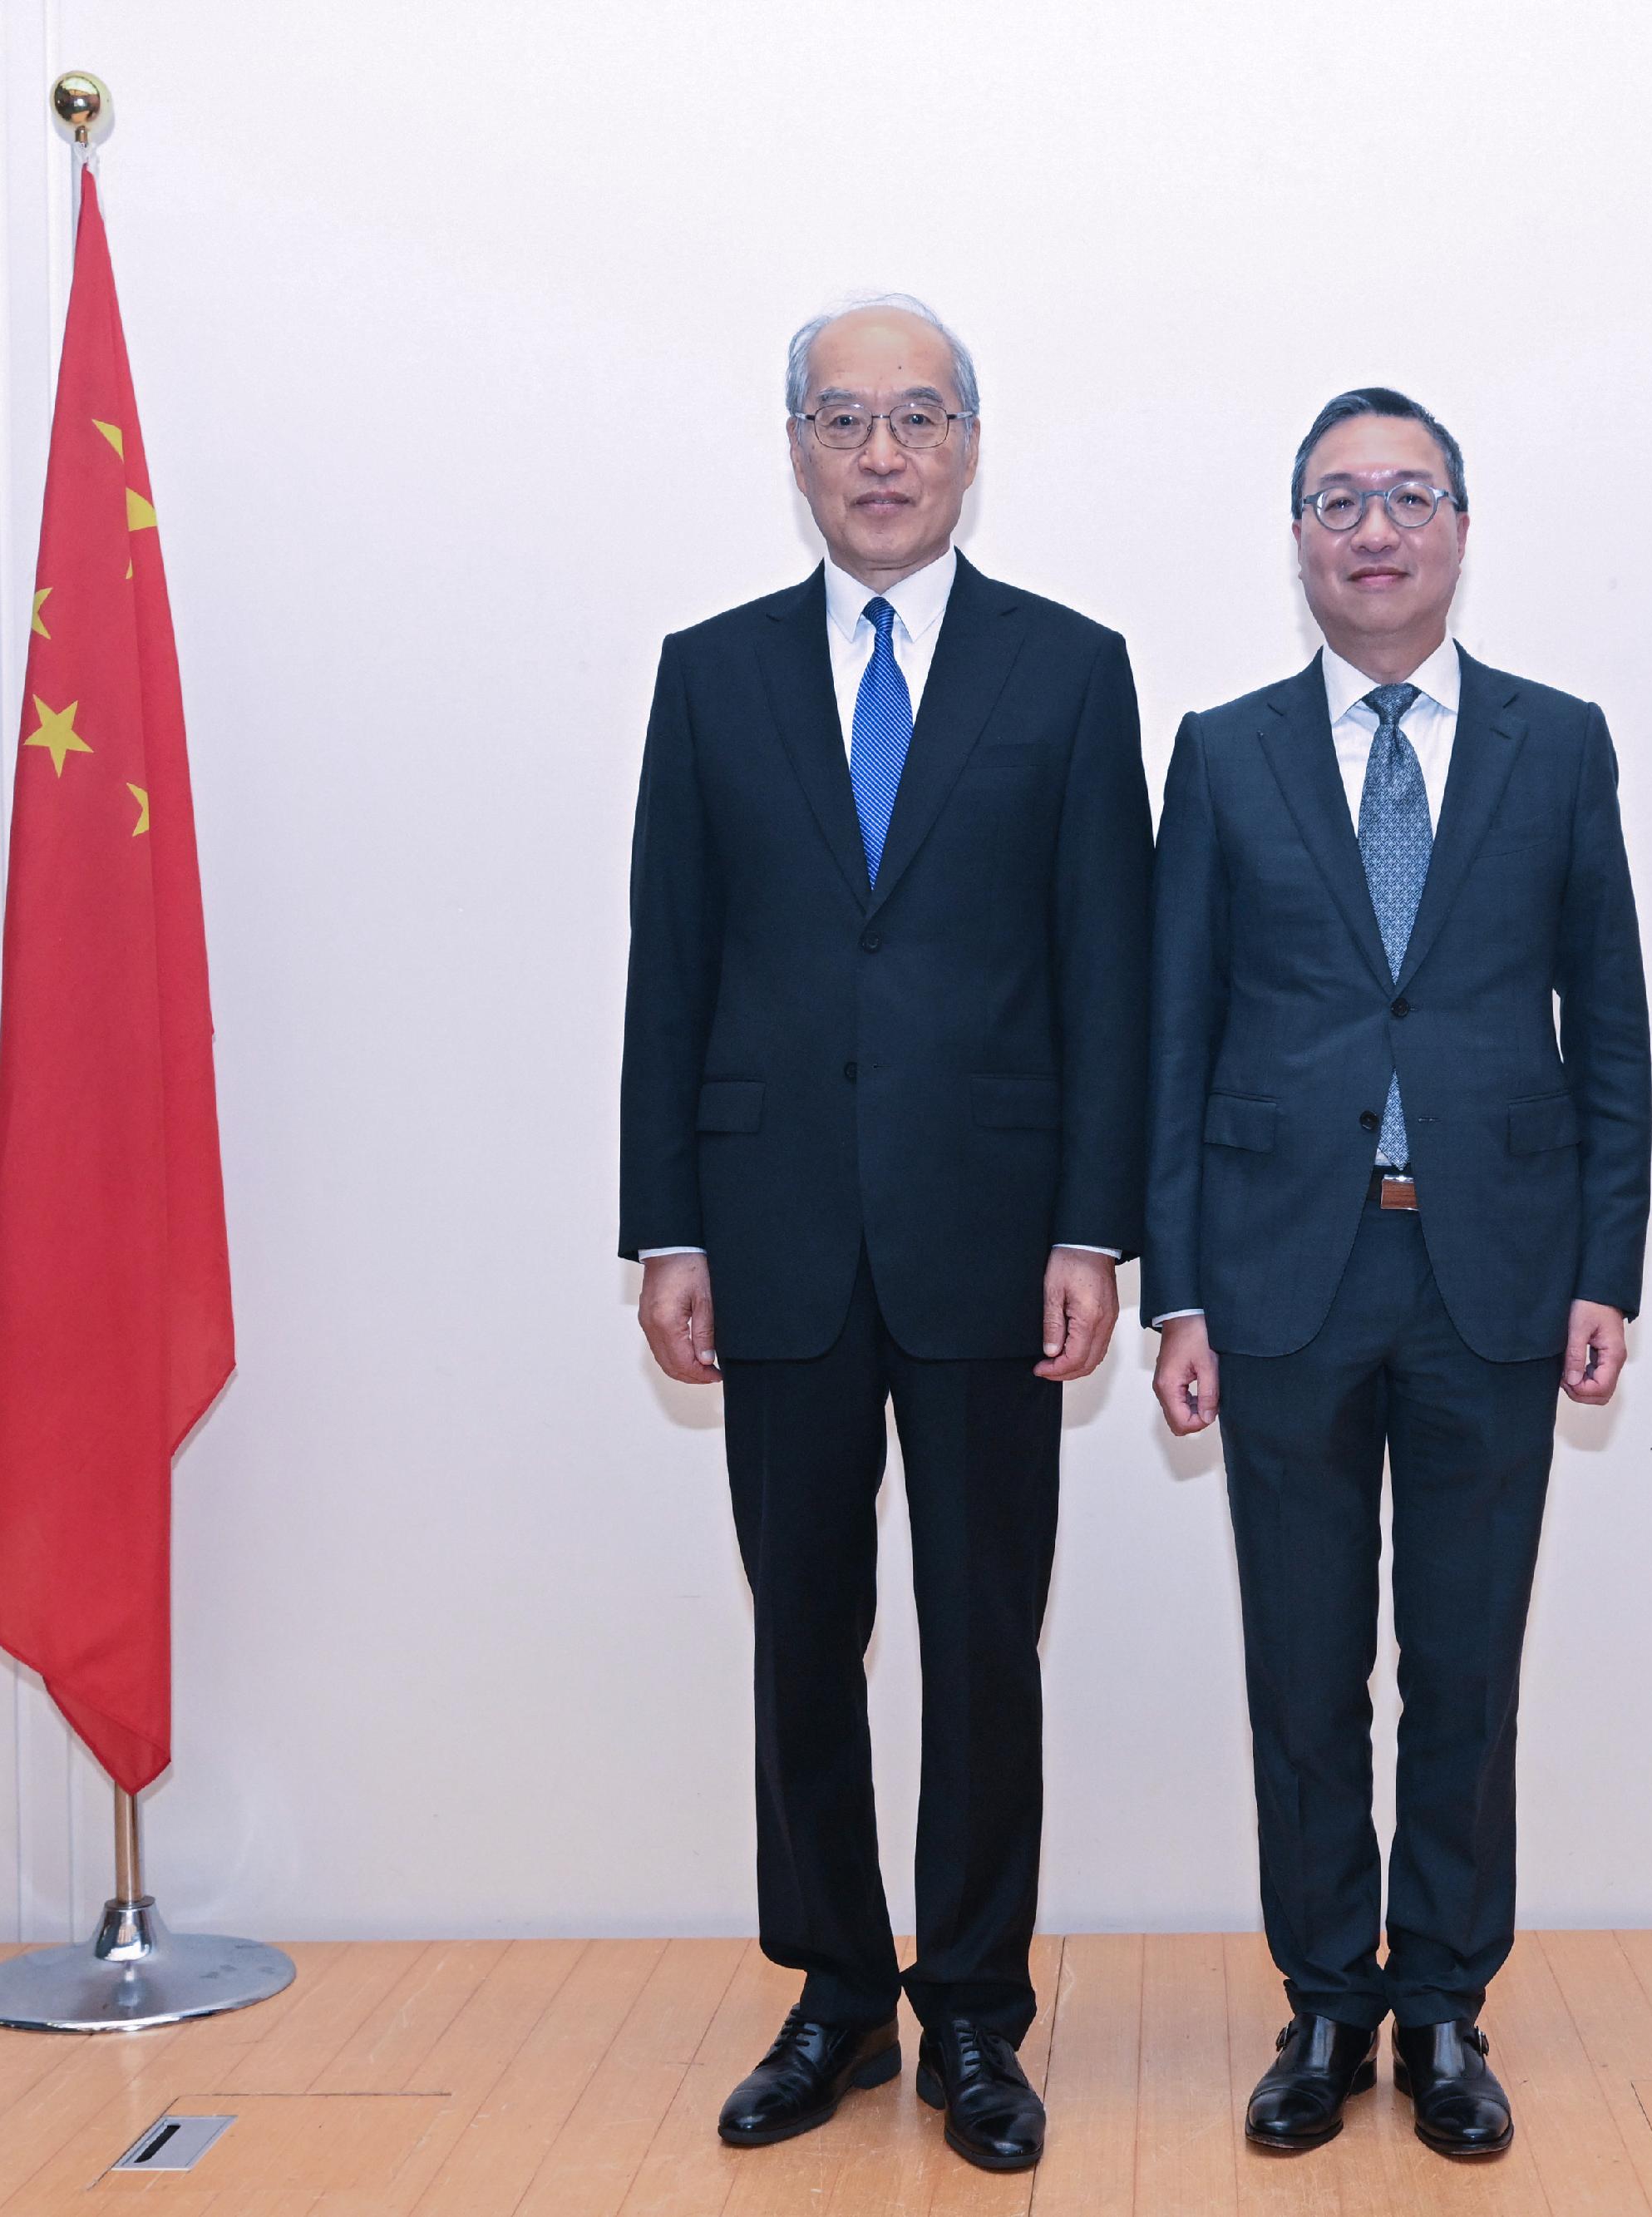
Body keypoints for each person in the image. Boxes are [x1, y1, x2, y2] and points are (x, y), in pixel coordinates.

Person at [618, 294, 1151, 2175]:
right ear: (795, 447)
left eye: (915, 416)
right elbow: (666, 964)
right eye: (841, 418)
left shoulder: (1071, 674)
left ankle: (978, 2016)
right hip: (765, 1237)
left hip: (997, 1238)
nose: (879, 452)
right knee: (803, 1632)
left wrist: (1098, 1229)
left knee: (983, 1633)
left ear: (967, 444)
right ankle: (837, 1992)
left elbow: (1111, 971)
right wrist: (663, 1223)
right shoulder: (708, 673)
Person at [1144, 388, 1652, 2160]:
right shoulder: (1219, 752)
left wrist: (1609, 1264)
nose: (1373, 527)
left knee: (1462, 1663)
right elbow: (1173, 1034)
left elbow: (1611, 1031)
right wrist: (1175, 1291)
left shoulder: (1554, 743)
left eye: (1406, 496)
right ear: (1295, 537)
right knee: (1300, 1667)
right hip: (1281, 1275)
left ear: (1457, 526)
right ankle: (1322, 2006)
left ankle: (1438, 2004)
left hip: (1493, 1273)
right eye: (1336, 500)